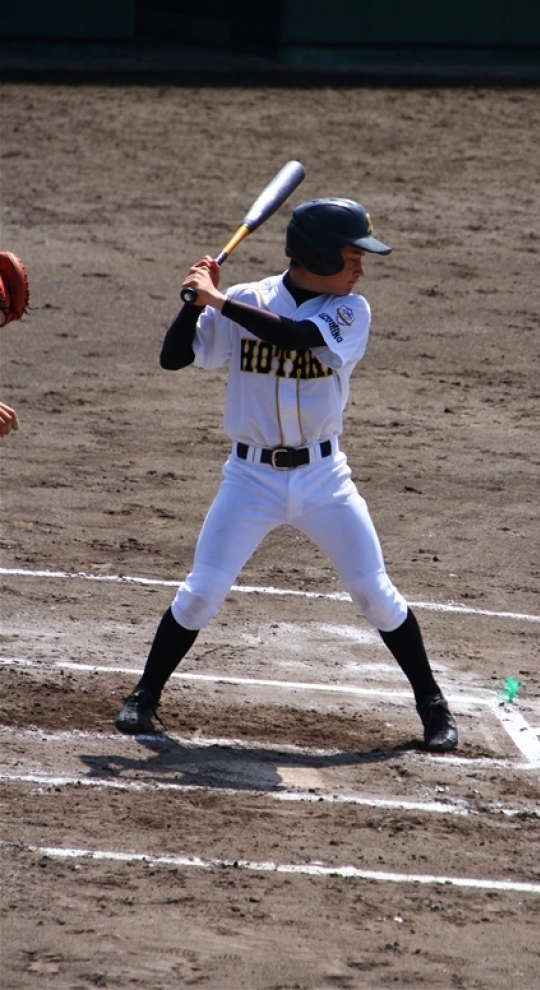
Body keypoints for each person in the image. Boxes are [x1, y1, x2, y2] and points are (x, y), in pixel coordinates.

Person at [114, 197, 458, 752]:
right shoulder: (246, 298)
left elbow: (295, 336)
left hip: (325, 480)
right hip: (249, 480)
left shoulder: (351, 310)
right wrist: (192, 302)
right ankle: (144, 696)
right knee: (201, 594)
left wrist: (217, 300)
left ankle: (434, 708)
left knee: (375, 595)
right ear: (319, 255)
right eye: (353, 257)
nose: (361, 269)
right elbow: (174, 358)